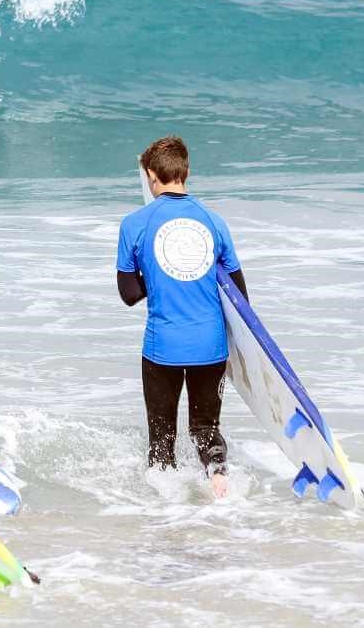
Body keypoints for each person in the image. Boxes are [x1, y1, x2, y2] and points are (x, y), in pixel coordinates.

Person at [116, 135, 249, 499]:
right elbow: (239, 296)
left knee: (162, 439)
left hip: (164, 349)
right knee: (206, 430)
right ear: (186, 172)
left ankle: (167, 509)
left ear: (149, 176)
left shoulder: (135, 224)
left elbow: (128, 294)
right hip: (211, 346)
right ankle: (221, 486)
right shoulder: (214, 221)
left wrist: (154, 276)